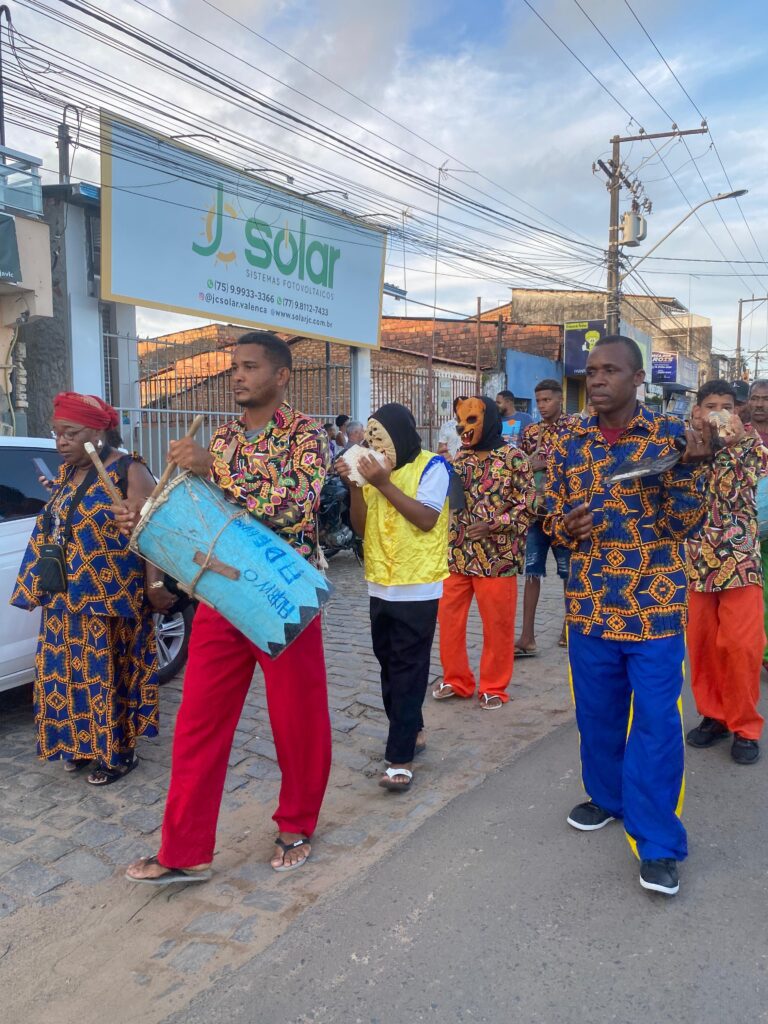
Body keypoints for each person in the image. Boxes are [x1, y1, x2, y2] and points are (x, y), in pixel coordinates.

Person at [126, 331, 331, 885]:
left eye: (249, 366)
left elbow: (292, 507)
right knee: (197, 721)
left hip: (283, 592)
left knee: (297, 719)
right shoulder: (220, 438)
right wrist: (148, 515)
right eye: (233, 367)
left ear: (281, 376)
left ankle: (297, 823)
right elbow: (200, 514)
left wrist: (213, 472)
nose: (237, 376)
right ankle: (183, 849)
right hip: (219, 593)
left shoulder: (307, 437)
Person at [546, 335, 714, 898]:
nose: (596, 380)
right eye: (591, 370)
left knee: (658, 728)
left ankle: (659, 843)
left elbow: (681, 526)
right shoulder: (568, 439)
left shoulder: (671, 439)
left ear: (638, 379)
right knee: (596, 716)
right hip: (590, 607)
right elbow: (548, 510)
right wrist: (562, 528)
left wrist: (692, 470)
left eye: (610, 370)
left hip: (653, 610)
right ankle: (608, 797)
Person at [11, 392, 170, 785]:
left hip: (109, 599)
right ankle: (81, 745)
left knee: (106, 676)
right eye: (57, 433)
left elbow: (154, 533)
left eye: (70, 433)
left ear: (99, 432)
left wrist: (155, 586)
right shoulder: (69, 473)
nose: (60, 442)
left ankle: (118, 753)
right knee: (67, 677)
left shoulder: (129, 470)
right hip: (65, 599)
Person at [337, 403, 449, 791]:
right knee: (387, 664)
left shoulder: (432, 467)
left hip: (418, 585)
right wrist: (356, 487)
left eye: (380, 437)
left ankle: (399, 757)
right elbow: (360, 527)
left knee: (408, 667)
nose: (373, 445)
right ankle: (412, 726)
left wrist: (383, 482)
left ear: (400, 435)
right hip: (380, 583)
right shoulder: (372, 474)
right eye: (369, 438)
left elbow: (426, 519)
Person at [433, 396, 535, 710]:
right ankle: (456, 679)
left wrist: (494, 524)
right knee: (449, 621)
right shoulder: (460, 459)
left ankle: (493, 686)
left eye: (471, 420)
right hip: (458, 554)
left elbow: (529, 507)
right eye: (461, 421)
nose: (464, 428)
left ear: (489, 419)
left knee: (498, 625)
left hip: (498, 558)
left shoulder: (514, 458)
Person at [685, 380, 767, 766]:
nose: (718, 412)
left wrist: (729, 446)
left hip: (741, 561)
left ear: (737, 412)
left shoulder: (752, 447)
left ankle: (745, 726)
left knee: (742, 646)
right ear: (697, 411)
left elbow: (741, 491)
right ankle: (714, 716)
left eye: (727, 406)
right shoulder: (684, 446)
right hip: (696, 561)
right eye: (710, 405)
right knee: (702, 646)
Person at [516, 379, 577, 655]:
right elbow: (517, 466)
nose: (542, 406)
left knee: (568, 573)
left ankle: (570, 627)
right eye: (538, 401)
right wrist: (529, 464)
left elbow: (580, 466)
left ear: (560, 399)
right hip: (536, 514)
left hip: (563, 513)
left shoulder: (575, 429)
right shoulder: (530, 431)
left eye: (547, 400)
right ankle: (527, 636)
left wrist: (548, 464)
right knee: (531, 572)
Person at [747, 380, 768, 670]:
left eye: (766, 399)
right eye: (755, 398)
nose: (761, 404)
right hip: (744, 530)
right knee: (752, 594)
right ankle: (759, 652)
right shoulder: (737, 435)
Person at [437, 396, 466, 462]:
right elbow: (441, 448)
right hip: (450, 465)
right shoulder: (446, 426)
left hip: (467, 466)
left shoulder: (473, 426)